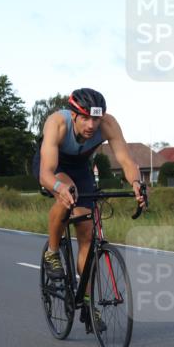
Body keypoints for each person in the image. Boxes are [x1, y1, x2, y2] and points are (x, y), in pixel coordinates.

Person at [32, 89, 146, 325]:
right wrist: (58, 187)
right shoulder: (57, 123)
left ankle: (86, 301)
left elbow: (126, 160)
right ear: (74, 115)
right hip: (52, 166)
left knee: (87, 232)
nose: (92, 125)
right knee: (67, 193)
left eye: (96, 118)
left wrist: (136, 183)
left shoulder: (108, 124)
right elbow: (45, 173)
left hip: (81, 167)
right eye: (85, 118)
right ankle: (52, 252)